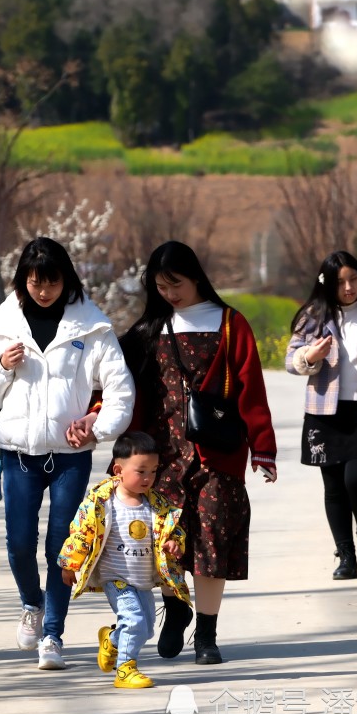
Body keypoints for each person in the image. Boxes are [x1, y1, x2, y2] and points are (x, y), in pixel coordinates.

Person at [0, 237, 134, 671]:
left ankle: (53, 634)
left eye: (51, 281)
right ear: (23, 280)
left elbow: (120, 388)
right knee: (19, 543)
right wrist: (2, 366)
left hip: (69, 455)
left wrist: (96, 427)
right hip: (18, 454)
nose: (43, 290)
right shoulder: (2, 324)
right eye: (34, 281)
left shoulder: (91, 326)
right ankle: (32, 603)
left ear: (66, 279)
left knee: (63, 544)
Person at [120, 240, 277, 666]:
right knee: (168, 542)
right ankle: (176, 609)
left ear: (196, 277)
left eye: (176, 284)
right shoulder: (148, 329)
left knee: (212, 543)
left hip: (218, 455)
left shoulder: (230, 323)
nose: (170, 294)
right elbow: (122, 386)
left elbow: (251, 389)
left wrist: (262, 447)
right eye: (160, 286)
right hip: (162, 457)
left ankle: (206, 634)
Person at [285, 250, 357, 580]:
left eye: (353, 279)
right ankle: (345, 557)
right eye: (340, 282)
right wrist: (310, 355)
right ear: (327, 284)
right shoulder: (314, 316)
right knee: (333, 488)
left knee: (356, 479)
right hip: (324, 412)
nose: (348, 288)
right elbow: (291, 361)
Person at [58, 431, 191, 689]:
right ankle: (126, 670)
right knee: (135, 621)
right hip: (115, 578)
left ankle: (111, 640)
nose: (148, 478)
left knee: (147, 628)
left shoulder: (157, 505)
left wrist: (176, 543)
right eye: (141, 471)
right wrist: (69, 562)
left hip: (141, 579)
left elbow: (173, 531)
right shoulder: (102, 503)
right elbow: (81, 533)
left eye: (153, 471)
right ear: (118, 469)